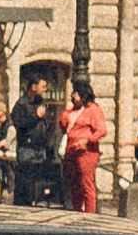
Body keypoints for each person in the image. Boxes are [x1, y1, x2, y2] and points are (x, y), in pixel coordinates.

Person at [60, 74, 106, 212]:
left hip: (86, 152)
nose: (72, 96)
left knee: (86, 183)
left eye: (74, 93)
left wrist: (88, 140)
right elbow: (63, 126)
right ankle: (76, 209)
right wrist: (66, 112)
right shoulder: (73, 111)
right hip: (72, 150)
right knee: (74, 183)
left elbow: (102, 130)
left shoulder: (93, 109)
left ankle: (90, 212)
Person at [10, 81, 59, 209]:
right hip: (28, 146)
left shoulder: (41, 102)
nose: (45, 89)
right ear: (33, 86)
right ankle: (22, 204)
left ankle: (35, 201)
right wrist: (35, 116)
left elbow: (47, 121)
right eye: (42, 86)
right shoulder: (21, 104)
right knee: (25, 177)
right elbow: (19, 122)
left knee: (37, 178)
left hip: (40, 146)